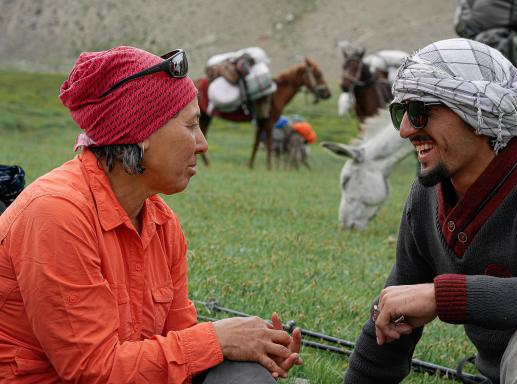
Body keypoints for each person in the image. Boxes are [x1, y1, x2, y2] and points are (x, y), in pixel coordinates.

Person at [0, 46, 302, 383]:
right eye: (191, 126)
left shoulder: (161, 222)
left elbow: (179, 341)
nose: (202, 144)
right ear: (141, 135)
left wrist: (254, 349)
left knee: (245, 374)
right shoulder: (56, 214)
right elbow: (93, 371)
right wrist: (216, 338)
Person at [344, 38, 517, 384]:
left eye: (420, 111)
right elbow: (393, 319)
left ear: (479, 113)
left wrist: (445, 296)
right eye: (401, 113)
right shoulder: (427, 197)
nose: (406, 129)